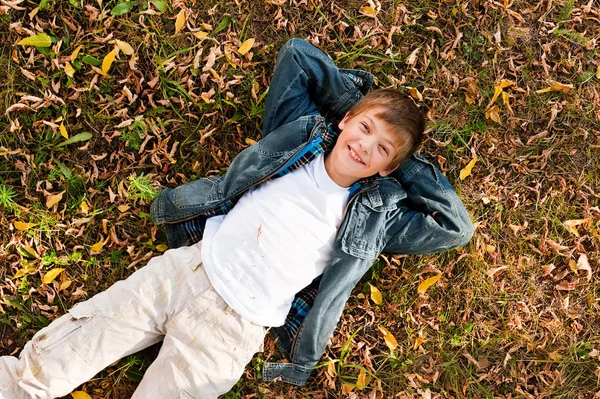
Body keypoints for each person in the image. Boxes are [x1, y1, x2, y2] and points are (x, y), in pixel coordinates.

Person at [0, 38, 473, 398]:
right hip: (186, 270)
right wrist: (359, 110)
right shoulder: (295, 138)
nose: (364, 145)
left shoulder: (374, 218)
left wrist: (403, 157)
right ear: (346, 118)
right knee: (55, 359)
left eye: (381, 149)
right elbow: (298, 56)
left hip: (234, 330)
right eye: (364, 128)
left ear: (388, 166)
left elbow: (456, 226)